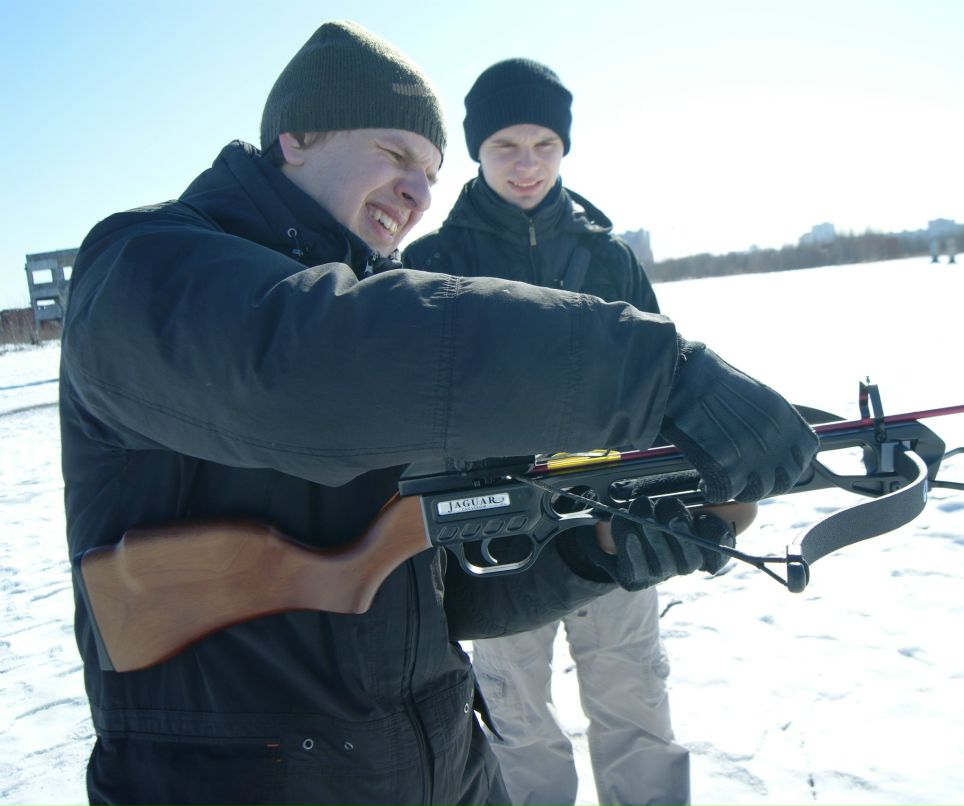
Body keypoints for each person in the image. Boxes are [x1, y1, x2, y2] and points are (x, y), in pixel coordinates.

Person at [59, 20, 818, 806]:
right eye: (395, 155)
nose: (419, 192)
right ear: (297, 135)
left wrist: (598, 554)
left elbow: (437, 591)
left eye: (429, 170)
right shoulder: (143, 266)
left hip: (442, 768)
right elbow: (315, 370)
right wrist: (662, 376)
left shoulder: (383, 315)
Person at [403, 59, 691, 806]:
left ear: (565, 148)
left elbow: (663, 384)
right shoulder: (433, 266)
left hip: (611, 523)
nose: (527, 165)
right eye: (506, 146)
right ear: (476, 150)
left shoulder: (608, 257)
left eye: (544, 146)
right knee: (518, 725)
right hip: (498, 545)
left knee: (637, 712)